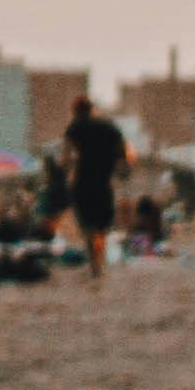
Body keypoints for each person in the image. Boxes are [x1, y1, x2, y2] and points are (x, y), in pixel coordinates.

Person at [61, 96, 131, 279]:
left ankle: (95, 264)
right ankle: (98, 263)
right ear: (92, 109)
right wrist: (120, 164)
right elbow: (124, 151)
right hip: (104, 182)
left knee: (88, 225)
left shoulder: (75, 127)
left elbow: (66, 156)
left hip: (83, 182)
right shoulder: (109, 127)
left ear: (76, 111)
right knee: (101, 225)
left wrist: (66, 171)